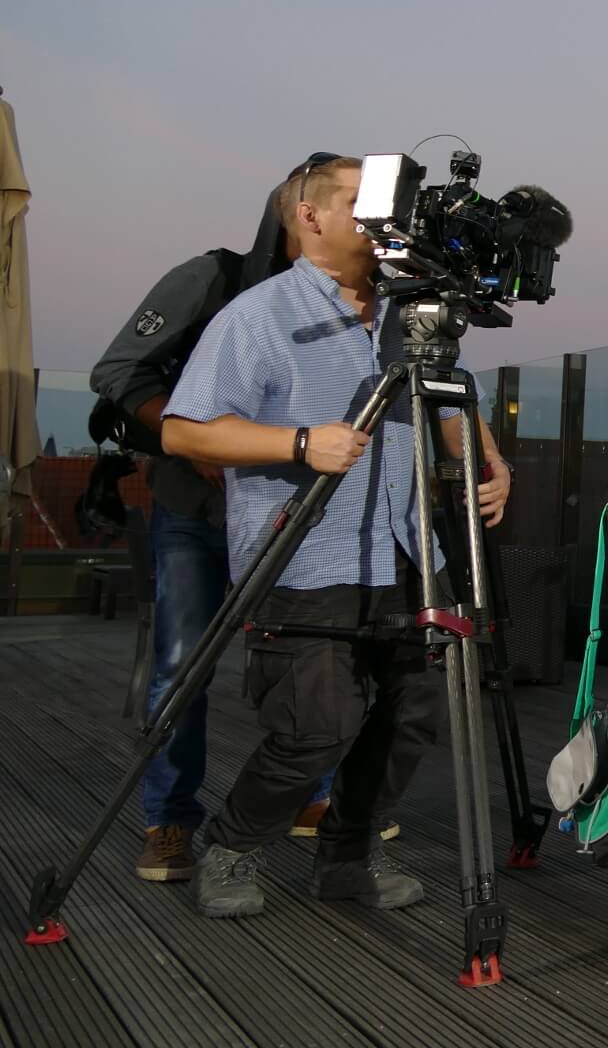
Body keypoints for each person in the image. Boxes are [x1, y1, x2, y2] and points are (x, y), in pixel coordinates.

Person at [162, 156, 512, 919]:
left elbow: (446, 401)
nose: (388, 220)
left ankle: (348, 857)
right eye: (362, 203)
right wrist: (296, 445)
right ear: (310, 216)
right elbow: (185, 430)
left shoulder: (405, 316)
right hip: (306, 553)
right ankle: (230, 846)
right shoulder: (259, 316)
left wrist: (487, 457)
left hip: (411, 549)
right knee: (317, 726)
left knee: (412, 713)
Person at [92, 154, 392, 884]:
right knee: (182, 665)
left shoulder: (367, 302)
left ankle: (307, 797)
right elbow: (117, 372)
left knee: (321, 655)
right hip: (201, 506)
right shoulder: (215, 279)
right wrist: (200, 441)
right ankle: (169, 820)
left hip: (300, 519)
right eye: (351, 202)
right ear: (303, 211)